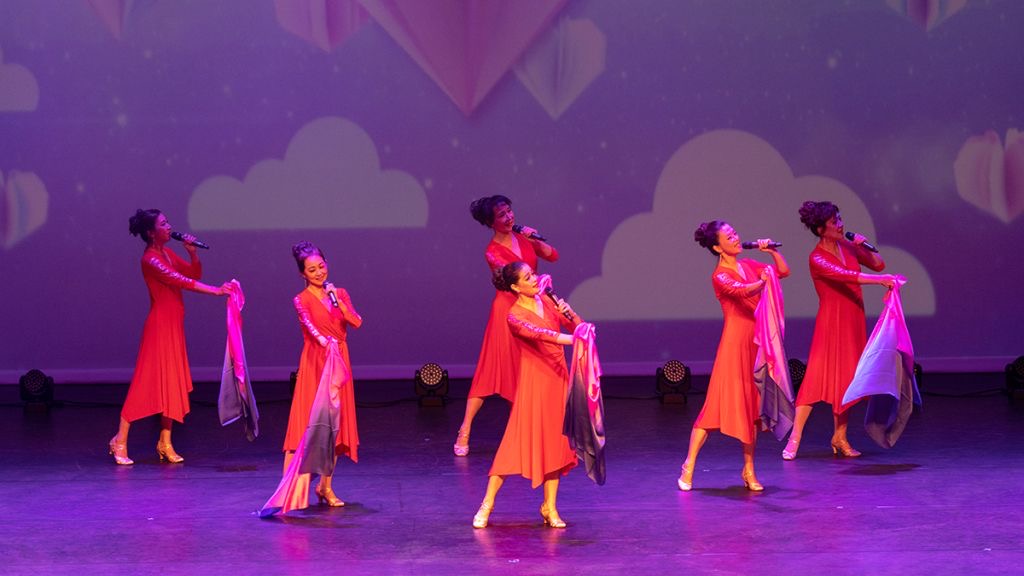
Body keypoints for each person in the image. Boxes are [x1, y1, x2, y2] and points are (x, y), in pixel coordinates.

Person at [108, 209, 234, 465]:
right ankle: (119, 439)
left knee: (172, 383)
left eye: (168, 223)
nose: (169, 227)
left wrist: (192, 252)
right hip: (159, 327)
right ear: (151, 232)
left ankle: (165, 442)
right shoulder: (150, 259)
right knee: (144, 382)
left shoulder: (166, 253)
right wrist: (217, 291)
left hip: (174, 326)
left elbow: (193, 274)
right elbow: (181, 281)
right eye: (163, 224)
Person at [782, 201, 902, 460]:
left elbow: (878, 264)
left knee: (847, 380)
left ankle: (840, 436)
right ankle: (795, 437)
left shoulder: (848, 247)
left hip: (852, 320)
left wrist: (864, 245)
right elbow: (846, 275)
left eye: (839, 218)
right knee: (814, 379)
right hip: (830, 322)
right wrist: (880, 281)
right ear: (820, 229)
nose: (840, 224)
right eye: (834, 221)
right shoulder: (817, 258)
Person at [678, 221, 790, 492]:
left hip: (756, 342)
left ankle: (749, 470)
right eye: (729, 237)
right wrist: (761, 282)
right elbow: (741, 291)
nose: (736, 238)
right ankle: (688, 465)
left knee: (751, 409)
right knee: (713, 410)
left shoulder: (749, 264)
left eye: (735, 233)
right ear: (718, 247)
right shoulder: (720, 275)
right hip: (733, 345)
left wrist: (772, 252)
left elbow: (783, 272)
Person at [472, 262, 579, 529]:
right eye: (527, 277)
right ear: (515, 286)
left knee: (555, 442)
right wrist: (572, 340)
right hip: (535, 381)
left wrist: (570, 314)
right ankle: (487, 503)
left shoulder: (548, 300)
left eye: (533, 274)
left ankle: (550, 507)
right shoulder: (514, 315)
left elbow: (577, 326)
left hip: (557, 377)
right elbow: (541, 335)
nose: (534, 279)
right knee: (514, 442)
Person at [454, 196, 559, 456]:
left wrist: (534, 239)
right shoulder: (492, 251)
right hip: (507, 311)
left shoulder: (523, 238)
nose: (509, 217)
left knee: (525, 370)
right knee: (490, 371)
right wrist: (539, 287)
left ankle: (524, 432)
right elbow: (516, 280)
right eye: (501, 215)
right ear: (491, 223)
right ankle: (465, 428)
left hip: (530, 307)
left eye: (509, 211)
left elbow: (553, 255)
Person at [282, 241, 362, 507]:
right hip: (316, 362)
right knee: (308, 423)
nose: (319, 273)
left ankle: (325, 487)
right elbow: (310, 327)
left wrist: (338, 301)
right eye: (312, 270)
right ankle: (292, 490)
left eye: (321, 266)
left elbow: (356, 322)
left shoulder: (340, 293)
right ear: (302, 274)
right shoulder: (301, 299)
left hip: (339, 362)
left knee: (335, 426)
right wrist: (326, 342)